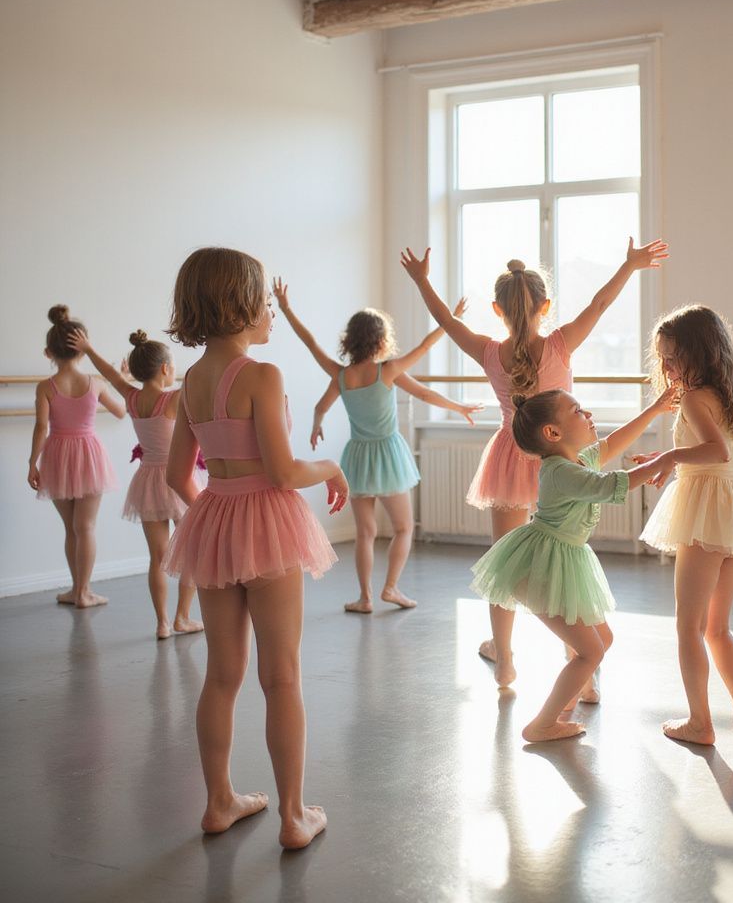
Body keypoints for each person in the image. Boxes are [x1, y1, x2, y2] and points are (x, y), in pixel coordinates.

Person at [401, 237, 669, 687]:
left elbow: (446, 321)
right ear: (545, 305)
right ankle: (581, 665)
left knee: (505, 563)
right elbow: (600, 304)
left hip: (511, 452)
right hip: (562, 452)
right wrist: (630, 265)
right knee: (569, 555)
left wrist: (423, 281)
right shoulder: (560, 344)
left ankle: (504, 659)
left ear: (496, 308)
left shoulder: (489, 352)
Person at [162, 247, 348, 850]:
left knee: (222, 675)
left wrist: (216, 522)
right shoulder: (262, 377)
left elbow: (175, 476)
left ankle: (218, 802)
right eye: (265, 303)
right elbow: (285, 471)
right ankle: (293, 817)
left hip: (215, 518)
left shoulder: (190, 381)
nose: (270, 313)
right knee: (282, 676)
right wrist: (333, 467)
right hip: (267, 524)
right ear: (239, 305)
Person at [470, 388, 677, 742]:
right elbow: (609, 485)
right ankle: (542, 724)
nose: (588, 414)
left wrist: (655, 410)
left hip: (566, 558)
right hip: (543, 565)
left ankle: (564, 702)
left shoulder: (579, 460)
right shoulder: (560, 471)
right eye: (578, 411)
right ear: (553, 433)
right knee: (591, 649)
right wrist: (664, 461)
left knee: (602, 639)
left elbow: (615, 443)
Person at [272, 278, 481, 612]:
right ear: (382, 340)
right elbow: (426, 360)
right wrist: (452, 320)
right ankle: (391, 588)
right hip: (388, 455)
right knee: (402, 528)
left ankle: (365, 597)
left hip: (356, 457)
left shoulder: (341, 376)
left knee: (365, 533)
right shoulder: (389, 370)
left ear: (350, 341)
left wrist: (316, 425)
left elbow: (312, 352)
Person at [639, 305, 733, 745]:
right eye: (661, 357)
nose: (666, 366)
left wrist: (671, 458)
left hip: (706, 518)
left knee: (688, 627)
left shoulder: (697, 399)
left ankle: (700, 723)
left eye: (673, 357)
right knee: (717, 628)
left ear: (699, 353)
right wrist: (726, 492)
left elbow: (716, 451)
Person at [69, 327, 206, 638]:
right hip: (178, 479)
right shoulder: (174, 399)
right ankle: (183, 617)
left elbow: (109, 374)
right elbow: (203, 382)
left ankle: (162, 624)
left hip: (147, 481)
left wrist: (89, 348)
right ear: (166, 369)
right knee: (192, 553)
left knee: (157, 558)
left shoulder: (132, 397)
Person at [29, 305, 124, 608]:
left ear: (48, 353)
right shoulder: (94, 384)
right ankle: (84, 592)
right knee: (87, 528)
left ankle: (76, 590)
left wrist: (32, 463)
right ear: (81, 351)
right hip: (89, 454)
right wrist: (118, 378)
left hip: (57, 455)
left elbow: (42, 427)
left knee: (71, 529)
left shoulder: (46, 386)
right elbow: (122, 412)